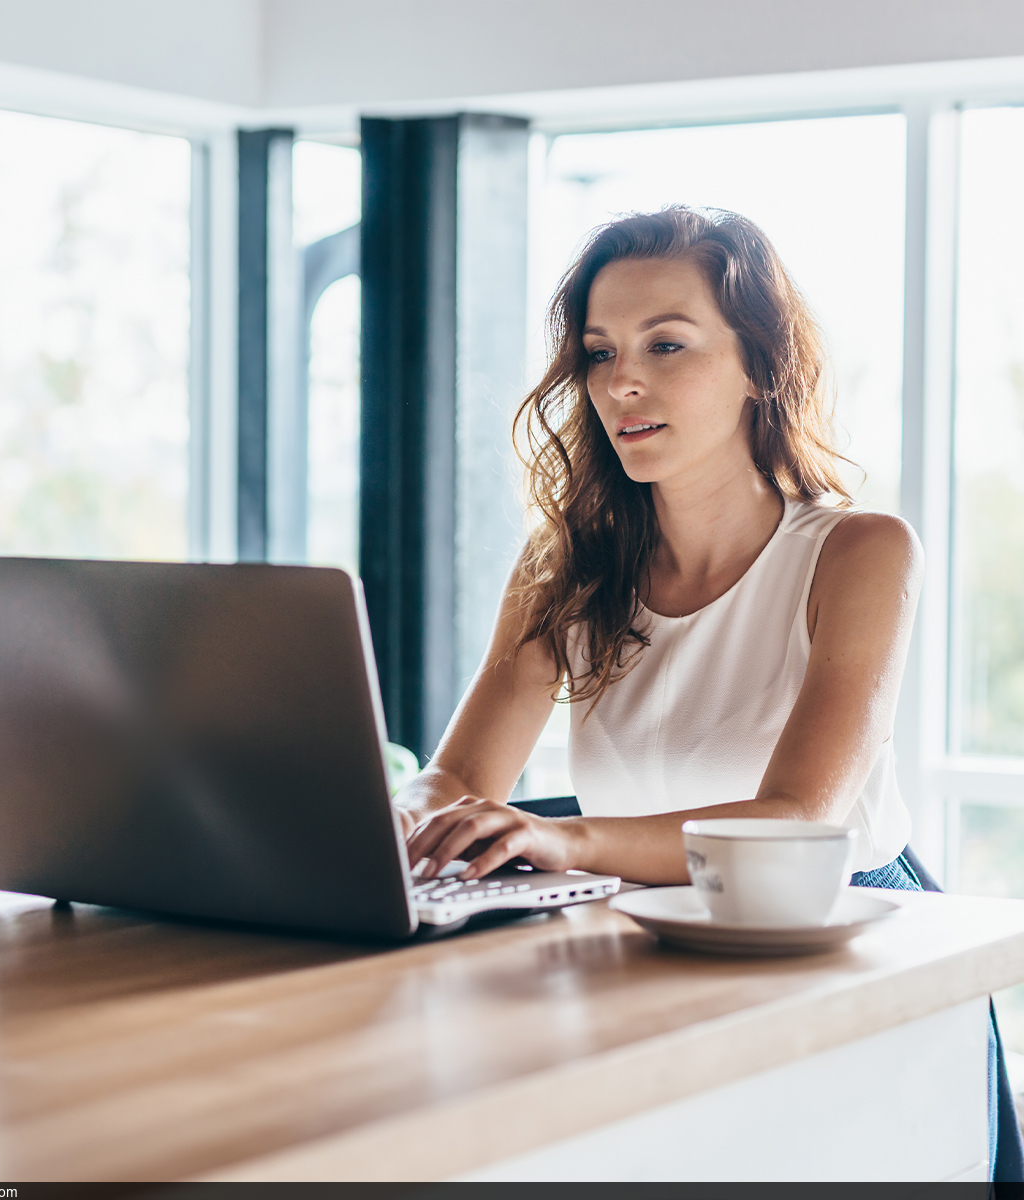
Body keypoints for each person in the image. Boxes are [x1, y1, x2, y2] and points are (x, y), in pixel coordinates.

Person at [392, 206, 1023, 1183]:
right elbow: (456, 777)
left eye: (667, 344)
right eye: (600, 352)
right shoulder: (564, 568)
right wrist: (396, 823)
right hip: (645, 941)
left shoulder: (860, 551)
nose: (621, 382)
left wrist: (565, 841)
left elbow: (800, 820)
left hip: (852, 949)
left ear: (759, 365)